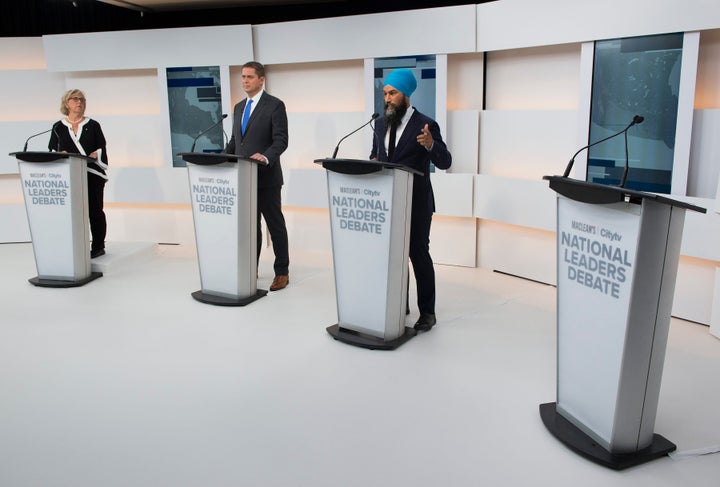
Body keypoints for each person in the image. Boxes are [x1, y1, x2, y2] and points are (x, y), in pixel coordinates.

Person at [370, 68, 452, 332]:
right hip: (388, 201)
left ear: (406, 94)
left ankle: (427, 312)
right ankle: (398, 303)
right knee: (393, 255)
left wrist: (430, 145)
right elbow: (377, 154)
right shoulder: (380, 123)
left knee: (418, 255)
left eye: (393, 93)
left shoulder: (425, 124)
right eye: (385, 93)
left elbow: (445, 161)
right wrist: (373, 162)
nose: (388, 98)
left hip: (416, 202)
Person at [226, 61, 290, 291]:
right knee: (250, 227)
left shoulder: (274, 105)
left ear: (261, 79)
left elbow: (281, 140)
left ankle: (282, 271)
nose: (244, 81)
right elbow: (236, 142)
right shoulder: (238, 107)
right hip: (244, 179)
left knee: (275, 225)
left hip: (267, 178)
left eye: (249, 77)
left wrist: (264, 156)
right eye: (243, 77)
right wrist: (222, 159)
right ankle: (250, 268)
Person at [49, 89, 108, 258]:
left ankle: (98, 246)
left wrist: (97, 154)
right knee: (71, 212)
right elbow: (52, 149)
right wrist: (59, 155)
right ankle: (72, 246)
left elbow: (101, 148)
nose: (79, 102)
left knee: (95, 210)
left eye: (81, 99)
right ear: (66, 103)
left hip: (92, 174)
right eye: (74, 99)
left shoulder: (93, 125)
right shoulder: (58, 127)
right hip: (69, 175)